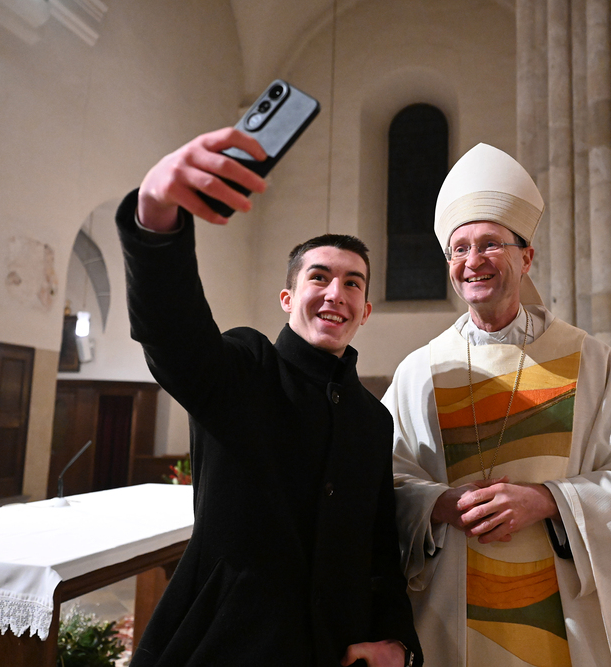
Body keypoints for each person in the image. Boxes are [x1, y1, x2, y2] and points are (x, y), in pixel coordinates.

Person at [115, 127, 421, 667]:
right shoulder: (246, 368)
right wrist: (155, 215)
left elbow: (378, 545)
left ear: (366, 311)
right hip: (230, 644)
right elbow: (174, 335)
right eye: (319, 277)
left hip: (334, 650)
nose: (336, 293)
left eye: (353, 283)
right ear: (287, 297)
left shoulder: (372, 419)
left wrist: (396, 637)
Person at [384, 143, 611, 667]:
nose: (472, 261)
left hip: (559, 614)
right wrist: (439, 505)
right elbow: (381, 483)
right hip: (450, 610)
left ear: (526, 257)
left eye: (490, 244)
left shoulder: (587, 360)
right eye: (459, 249)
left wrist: (548, 501)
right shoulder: (420, 371)